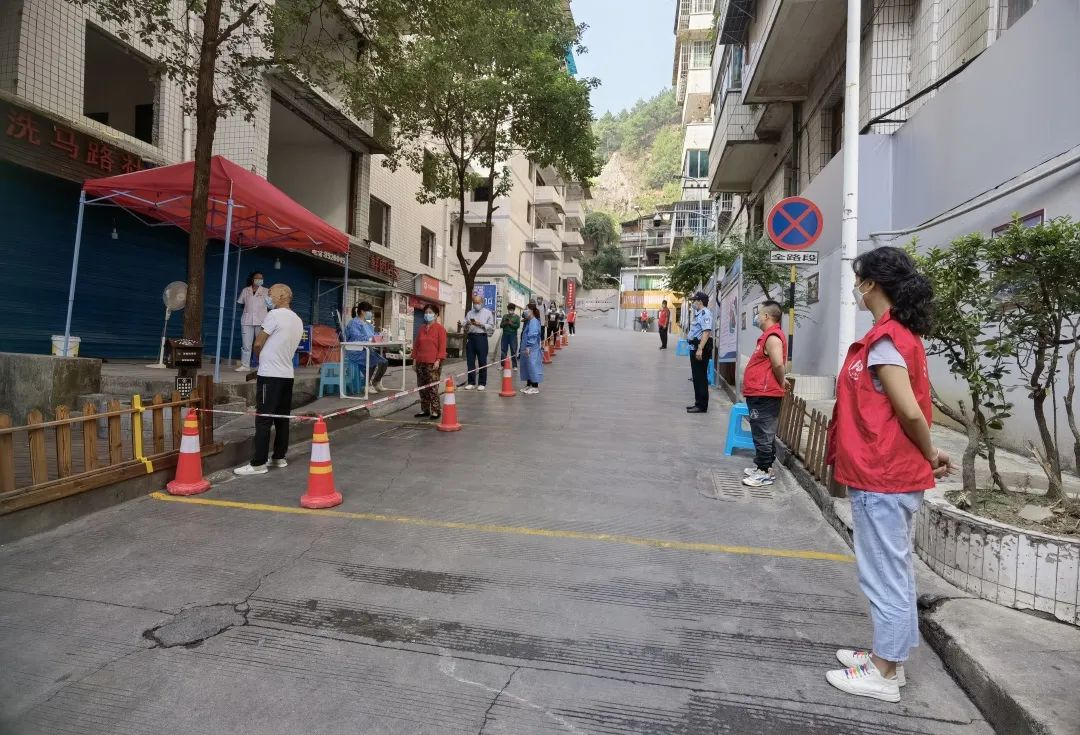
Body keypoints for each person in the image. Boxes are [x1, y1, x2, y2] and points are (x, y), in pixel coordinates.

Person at [824, 246, 952, 703]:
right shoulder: (893, 335)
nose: (856, 290)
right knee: (889, 569)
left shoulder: (886, 341)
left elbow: (911, 412)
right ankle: (888, 658)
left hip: (884, 475)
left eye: (859, 280)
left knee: (885, 574)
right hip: (885, 472)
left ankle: (884, 671)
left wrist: (930, 451)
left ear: (870, 284)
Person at [234, 284, 304, 476]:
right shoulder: (297, 319)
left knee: (264, 419)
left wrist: (259, 356)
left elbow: (258, 342)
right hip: (287, 375)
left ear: (282, 295)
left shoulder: (274, 315)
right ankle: (279, 457)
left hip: (270, 375)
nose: (268, 297)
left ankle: (258, 463)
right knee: (282, 418)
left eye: (271, 293)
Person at [741, 301, 788, 488]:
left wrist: (782, 381)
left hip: (765, 394)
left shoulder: (773, 337)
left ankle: (764, 472)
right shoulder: (766, 337)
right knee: (759, 430)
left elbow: (777, 364)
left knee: (764, 433)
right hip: (758, 392)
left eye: (759, 313)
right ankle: (762, 466)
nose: (757, 317)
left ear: (767, 316)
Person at [412, 304, 447, 420]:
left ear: (436, 315)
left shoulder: (440, 329)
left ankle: (436, 410)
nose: (428, 315)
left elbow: (442, 347)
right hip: (421, 361)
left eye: (430, 312)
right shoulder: (422, 328)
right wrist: (414, 360)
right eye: (426, 312)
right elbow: (417, 345)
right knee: (422, 387)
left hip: (433, 363)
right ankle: (425, 409)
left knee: (432, 388)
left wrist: (438, 360)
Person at [344, 302, 388, 392]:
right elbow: (356, 337)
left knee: (384, 362)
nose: (371, 314)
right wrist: (371, 338)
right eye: (369, 311)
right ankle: (366, 385)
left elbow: (373, 334)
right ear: (363, 312)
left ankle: (376, 382)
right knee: (373, 361)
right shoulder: (354, 323)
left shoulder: (368, 324)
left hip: (366, 350)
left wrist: (381, 335)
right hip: (355, 351)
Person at [686, 291, 713, 414]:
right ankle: (698, 403)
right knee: (697, 378)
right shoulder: (698, 314)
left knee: (701, 377)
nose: (693, 303)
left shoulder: (705, 313)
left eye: (695, 300)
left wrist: (700, 348)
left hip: (700, 350)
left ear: (700, 301)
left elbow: (706, 332)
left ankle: (702, 406)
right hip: (695, 348)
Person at [235, 271, 268, 371]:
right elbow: (241, 303)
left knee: (260, 344)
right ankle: (245, 365)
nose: (259, 280)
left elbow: (271, 305)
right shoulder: (246, 290)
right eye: (257, 278)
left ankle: (261, 365)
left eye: (261, 278)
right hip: (247, 321)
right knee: (246, 344)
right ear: (252, 279)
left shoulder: (266, 291)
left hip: (261, 321)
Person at [464, 293, 494, 390]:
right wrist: (467, 324)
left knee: (482, 361)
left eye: (478, 302)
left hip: (481, 337)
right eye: (474, 302)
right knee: (470, 361)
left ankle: (482, 383)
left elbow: (491, 325)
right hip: (471, 338)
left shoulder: (487, 312)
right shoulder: (470, 313)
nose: (476, 304)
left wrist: (481, 324)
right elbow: (465, 325)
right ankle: (471, 382)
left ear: (482, 302)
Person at [518, 304, 543, 394]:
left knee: (533, 366)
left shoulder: (534, 321)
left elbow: (533, 335)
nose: (524, 311)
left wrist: (528, 346)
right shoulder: (529, 321)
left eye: (526, 309)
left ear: (531, 311)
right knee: (527, 366)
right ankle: (528, 385)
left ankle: (535, 386)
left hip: (531, 348)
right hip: (526, 348)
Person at [499, 303, 521, 368]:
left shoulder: (517, 317)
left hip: (513, 336)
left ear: (514, 309)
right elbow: (501, 325)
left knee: (513, 350)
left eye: (511, 309)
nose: (510, 311)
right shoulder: (505, 316)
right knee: (503, 350)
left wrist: (511, 323)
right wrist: (505, 323)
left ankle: (514, 366)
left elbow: (517, 326)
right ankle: (502, 365)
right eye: (509, 309)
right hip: (505, 335)